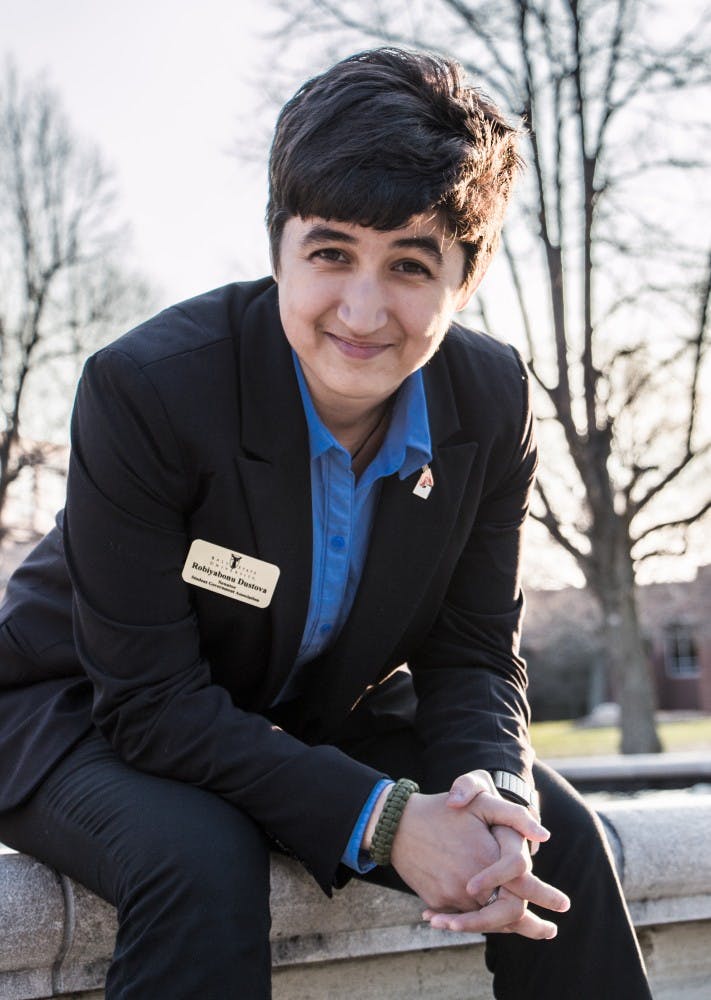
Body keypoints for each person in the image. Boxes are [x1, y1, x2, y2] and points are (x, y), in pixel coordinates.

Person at [0, 47, 652, 999]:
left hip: (309, 711)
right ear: (278, 249)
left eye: (410, 264)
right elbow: (148, 702)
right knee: (200, 860)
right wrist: (388, 820)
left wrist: (488, 793)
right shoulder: (145, 388)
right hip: (82, 708)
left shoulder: (490, 398)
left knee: (554, 848)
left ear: (463, 279)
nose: (361, 307)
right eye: (331, 252)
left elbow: (471, 656)